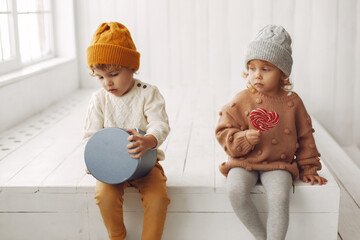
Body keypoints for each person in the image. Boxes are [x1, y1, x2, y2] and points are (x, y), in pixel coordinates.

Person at [215, 25, 327, 240]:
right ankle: (261, 236)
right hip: (243, 161)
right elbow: (223, 130)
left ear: (282, 72)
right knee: (235, 192)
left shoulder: (292, 102)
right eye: (252, 68)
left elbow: (305, 137)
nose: (257, 75)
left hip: (279, 163)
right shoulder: (241, 99)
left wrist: (310, 167)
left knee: (280, 197)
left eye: (266, 69)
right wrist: (243, 139)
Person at [82, 22, 171, 240]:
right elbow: (91, 134)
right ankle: (117, 235)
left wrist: (149, 140)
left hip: (146, 165)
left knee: (158, 200)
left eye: (113, 74)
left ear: (132, 68)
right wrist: (93, 159)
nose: (107, 83)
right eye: (100, 77)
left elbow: (160, 123)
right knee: (104, 196)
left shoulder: (148, 93)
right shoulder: (99, 99)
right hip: (111, 166)